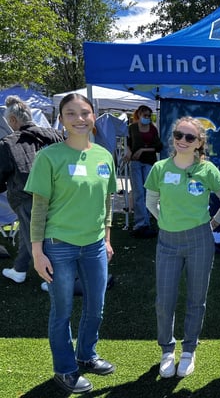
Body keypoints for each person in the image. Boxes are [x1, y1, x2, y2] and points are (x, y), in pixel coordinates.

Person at [25, 93, 117, 394]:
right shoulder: (49, 157)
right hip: (58, 245)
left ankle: (86, 354)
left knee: (97, 307)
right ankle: (65, 369)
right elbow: (38, 209)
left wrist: (106, 238)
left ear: (94, 117)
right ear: (61, 119)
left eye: (85, 113)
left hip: (94, 246)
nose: (80, 119)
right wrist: (37, 252)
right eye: (71, 114)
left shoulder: (104, 156)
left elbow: (107, 201)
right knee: (62, 310)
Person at [144, 116, 220, 378]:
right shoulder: (160, 168)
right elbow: (151, 201)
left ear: (199, 143)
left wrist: (213, 225)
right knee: (164, 300)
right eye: (178, 135)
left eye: (189, 137)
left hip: (200, 241)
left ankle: (188, 350)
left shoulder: (207, 170)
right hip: (168, 241)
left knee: (197, 299)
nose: (182, 140)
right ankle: (166, 350)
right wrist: (163, 220)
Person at [0, 96, 63, 285]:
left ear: (12, 120)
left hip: (25, 195)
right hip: (56, 193)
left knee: (35, 237)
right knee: (34, 234)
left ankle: (51, 278)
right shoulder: (55, 135)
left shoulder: (8, 143)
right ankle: (19, 269)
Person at [125, 105, 163, 238]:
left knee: (148, 193)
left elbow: (158, 147)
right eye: (144, 115)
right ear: (139, 114)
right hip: (135, 162)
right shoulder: (132, 128)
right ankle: (140, 224)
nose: (147, 118)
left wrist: (143, 150)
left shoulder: (153, 129)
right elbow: (128, 143)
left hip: (149, 162)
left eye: (149, 116)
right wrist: (129, 152)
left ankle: (146, 223)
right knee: (138, 193)